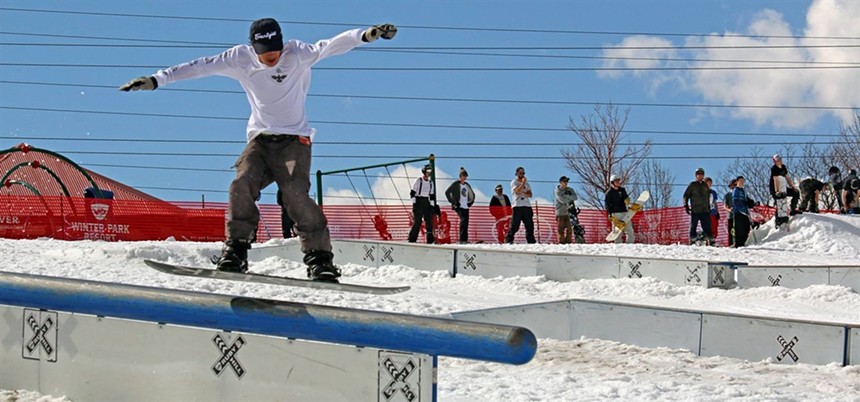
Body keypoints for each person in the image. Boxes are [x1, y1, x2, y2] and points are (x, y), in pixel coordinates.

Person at [119, 18, 398, 282]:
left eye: (275, 50)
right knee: (241, 183)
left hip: (294, 143)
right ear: (254, 48)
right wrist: (157, 79)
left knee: (294, 195)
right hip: (260, 142)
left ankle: (320, 259)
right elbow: (201, 66)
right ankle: (236, 250)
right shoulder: (239, 58)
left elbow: (330, 46)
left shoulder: (297, 53)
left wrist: (365, 35)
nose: (271, 57)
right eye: (265, 53)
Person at [408, 164, 440, 243]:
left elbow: (432, 196)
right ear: (424, 172)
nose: (429, 173)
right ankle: (412, 239)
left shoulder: (430, 183)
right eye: (428, 171)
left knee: (429, 222)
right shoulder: (419, 181)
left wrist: (432, 206)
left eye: (430, 171)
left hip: (426, 202)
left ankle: (430, 240)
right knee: (417, 222)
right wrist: (414, 204)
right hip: (419, 201)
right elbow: (412, 193)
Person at [505, 166, 536, 244]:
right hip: (518, 206)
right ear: (517, 173)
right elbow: (517, 191)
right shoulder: (514, 182)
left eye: (523, 173)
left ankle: (531, 241)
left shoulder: (527, 184)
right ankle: (509, 239)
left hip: (527, 206)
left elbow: (530, 194)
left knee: (529, 225)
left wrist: (524, 191)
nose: (522, 174)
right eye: (520, 173)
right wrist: (523, 183)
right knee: (515, 225)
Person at [683, 168, 713, 245]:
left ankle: (709, 238)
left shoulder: (705, 186)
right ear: (696, 175)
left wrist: (709, 207)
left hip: (705, 209)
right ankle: (692, 237)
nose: (700, 176)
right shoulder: (692, 185)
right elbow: (686, 195)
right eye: (698, 174)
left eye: (701, 174)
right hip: (696, 209)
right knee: (694, 224)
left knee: (707, 225)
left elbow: (707, 197)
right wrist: (686, 205)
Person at [445, 167, 476, 244]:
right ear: (460, 176)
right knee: (463, 221)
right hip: (459, 206)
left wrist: (470, 202)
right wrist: (454, 202)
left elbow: (472, 194)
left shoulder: (467, 185)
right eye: (463, 175)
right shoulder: (455, 184)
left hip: (466, 206)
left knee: (466, 222)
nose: (465, 177)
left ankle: (465, 239)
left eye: (466, 176)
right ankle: (462, 239)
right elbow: (447, 192)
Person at [604, 174, 634, 244]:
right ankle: (618, 247)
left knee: (629, 230)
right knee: (617, 232)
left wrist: (628, 201)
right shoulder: (609, 193)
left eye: (618, 180)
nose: (618, 182)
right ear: (612, 182)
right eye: (616, 181)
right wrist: (611, 214)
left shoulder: (622, 190)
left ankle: (630, 247)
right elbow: (607, 205)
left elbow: (626, 198)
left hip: (625, 213)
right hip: (616, 214)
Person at [732, 176, 757, 248]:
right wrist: (743, 203)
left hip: (745, 212)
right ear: (737, 182)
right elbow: (735, 201)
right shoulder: (735, 190)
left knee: (746, 228)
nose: (742, 183)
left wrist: (751, 203)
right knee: (739, 229)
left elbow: (747, 199)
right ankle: (738, 244)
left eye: (743, 181)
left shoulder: (743, 190)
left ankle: (743, 242)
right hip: (738, 211)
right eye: (740, 181)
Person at [554, 176, 578, 244]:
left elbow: (575, 197)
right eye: (564, 181)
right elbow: (562, 200)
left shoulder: (570, 189)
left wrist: (566, 196)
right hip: (560, 212)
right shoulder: (557, 190)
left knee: (570, 228)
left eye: (567, 181)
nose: (566, 182)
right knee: (560, 229)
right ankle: (561, 242)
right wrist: (569, 198)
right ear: (561, 182)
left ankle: (568, 242)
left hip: (569, 212)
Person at [705, 177, 720, 242]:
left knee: (714, 225)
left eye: (710, 183)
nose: (709, 184)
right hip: (706, 212)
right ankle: (707, 240)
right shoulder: (702, 192)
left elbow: (715, 202)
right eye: (707, 183)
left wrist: (717, 212)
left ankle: (713, 239)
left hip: (713, 211)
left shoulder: (713, 192)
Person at [723, 179, 736, 247]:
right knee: (731, 231)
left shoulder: (740, 193)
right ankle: (731, 244)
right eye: (733, 185)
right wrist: (729, 209)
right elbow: (724, 206)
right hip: (730, 216)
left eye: (735, 185)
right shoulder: (727, 195)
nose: (734, 187)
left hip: (739, 215)